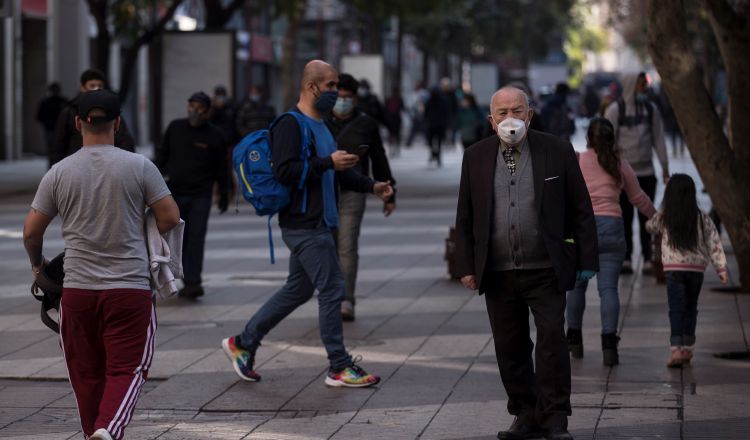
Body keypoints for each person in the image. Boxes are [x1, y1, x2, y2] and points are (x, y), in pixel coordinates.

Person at [221, 60, 393, 387]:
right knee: (333, 288)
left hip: (321, 221)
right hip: (303, 224)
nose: (335, 93)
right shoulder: (290, 124)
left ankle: (242, 343)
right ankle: (339, 366)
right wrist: (327, 162)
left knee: (298, 290)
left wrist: (373, 186)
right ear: (312, 86)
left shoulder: (323, 126)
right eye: (330, 87)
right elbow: (285, 171)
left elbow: (337, 172)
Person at [22, 89, 180, 440]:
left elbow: (32, 232)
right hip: (129, 290)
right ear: (118, 124)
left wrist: (38, 267)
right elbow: (170, 217)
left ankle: (95, 431)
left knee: (85, 372)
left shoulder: (59, 172)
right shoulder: (140, 166)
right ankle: (108, 429)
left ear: (78, 124)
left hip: (77, 292)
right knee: (128, 369)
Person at [454, 86, 598, 440]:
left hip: (545, 269)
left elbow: (581, 208)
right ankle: (525, 413)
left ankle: (555, 417)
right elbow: (465, 215)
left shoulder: (557, 150)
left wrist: (586, 259)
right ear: (491, 121)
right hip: (499, 272)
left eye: (517, 110)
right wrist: (467, 265)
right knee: (510, 347)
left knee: (552, 343)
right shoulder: (475, 156)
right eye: (502, 113)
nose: (510, 118)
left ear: (529, 114)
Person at [565, 118, 656, 366]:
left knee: (575, 286)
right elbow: (639, 199)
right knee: (608, 290)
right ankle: (608, 345)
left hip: (582, 229)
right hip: (612, 228)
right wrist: (659, 219)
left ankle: (573, 339)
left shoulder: (577, 159)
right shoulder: (619, 164)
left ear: (589, 138)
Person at [325, 73, 397, 321]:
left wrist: (389, 191)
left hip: (354, 191)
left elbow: (378, 157)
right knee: (327, 247)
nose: (342, 101)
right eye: (338, 97)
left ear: (355, 99)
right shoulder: (319, 120)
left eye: (347, 97)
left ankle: (346, 299)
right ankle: (329, 296)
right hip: (323, 193)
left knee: (347, 246)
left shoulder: (366, 123)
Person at [645, 174, 728, 368]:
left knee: (676, 308)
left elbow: (650, 227)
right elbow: (714, 243)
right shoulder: (702, 219)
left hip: (674, 270)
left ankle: (675, 350)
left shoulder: (665, 217)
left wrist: (657, 215)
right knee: (691, 308)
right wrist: (721, 269)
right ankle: (688, 349)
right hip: (696, 270)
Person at [156, 91, 229, 299]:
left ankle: (193, 282)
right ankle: (166, 279)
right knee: (171, 239)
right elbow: (162, 157)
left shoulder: (215, 135)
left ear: (207, 111)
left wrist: (223, 193)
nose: (194, 111)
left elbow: (221, 168)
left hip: (201, 195)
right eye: (192, 105)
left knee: (195, 239)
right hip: (174, 194)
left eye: (199, 107)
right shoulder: (175, 128)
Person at [605, 72, 669, 275]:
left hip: (646, 172)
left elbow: (659, 139)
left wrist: (664, 166)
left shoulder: (651, 110)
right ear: (632, 84)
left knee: (646, 218)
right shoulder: (615, 110)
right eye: (642, 84)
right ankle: (626, 258)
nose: (645, 87)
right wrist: (609, 170)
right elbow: (607, 141)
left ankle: (648, 259)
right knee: (623, 217)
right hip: (622, 174)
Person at [51, 69, 136, 166]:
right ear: (82, 88)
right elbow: (58, 146)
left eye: (99, 86)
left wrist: (128, 165)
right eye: (92, 85)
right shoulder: (69, 112)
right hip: (76, 167)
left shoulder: (112, 112)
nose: (96, 88)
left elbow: (125, 141)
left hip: (108, 165)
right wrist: (56, 169)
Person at [36, 82, 68, 168]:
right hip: (53, 129)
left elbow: (39, 117)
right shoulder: (62, 102)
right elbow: (39, 116)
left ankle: (54, 167)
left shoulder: (61, 102)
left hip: (53, 129)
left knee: (54, 150)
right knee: (56, 150)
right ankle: (55, 167)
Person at [424, 87, 448, 167]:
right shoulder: (430, 101)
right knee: (433, 142)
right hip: (434, 124)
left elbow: (445, 113)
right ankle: (434, 155)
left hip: (437, 125)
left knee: (438, 142)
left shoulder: (440, 101)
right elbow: (426, 113)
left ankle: (436, 156)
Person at [405, 81, 429, 146]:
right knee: (415, 129)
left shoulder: (423, 93)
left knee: (423, 129)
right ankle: (409, 142)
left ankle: (428, 141)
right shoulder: (416, 93)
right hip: (417, 114)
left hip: (421, 114)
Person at [383, 86, 404, 152]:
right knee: (396, 134)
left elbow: (385, 109)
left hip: (390, 119)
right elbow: (402, 108)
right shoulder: (399, 99)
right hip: (396, 119)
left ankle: (392, 148)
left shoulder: (389, 99)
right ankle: (396, 148)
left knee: (391, 134)